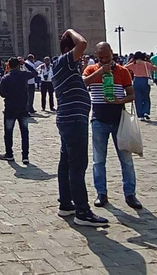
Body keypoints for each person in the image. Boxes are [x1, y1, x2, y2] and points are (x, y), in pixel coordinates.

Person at [52, 29, 108, 227]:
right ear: (69, 49)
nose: (82, 56)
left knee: (66, 163)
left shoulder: (66, 68)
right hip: (74, 121)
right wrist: (69, 31)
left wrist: (101, 70)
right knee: (78, 165)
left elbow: (82, 83)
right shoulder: (64, 61)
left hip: (69, 120)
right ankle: (82, 212)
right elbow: (82, 43)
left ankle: (66, 204)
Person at [83, 42, 142, 210]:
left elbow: (131, 95)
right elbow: (83, 83)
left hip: (119, 121)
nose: (104, 60)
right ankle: (101, 193)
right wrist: (101, 71)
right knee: (98, 161)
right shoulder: (91, 70)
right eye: (100, 58)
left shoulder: (123, 72)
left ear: (112, 54)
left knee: (126, 160)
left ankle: (130, 194)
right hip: (98, 121)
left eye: (107, 57)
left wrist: (119, 100)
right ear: (96, 56)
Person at [0, 57, 37, 164]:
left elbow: (2, 93)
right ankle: (25, 156)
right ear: (19, 65)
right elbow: (35, 72)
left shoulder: (6, 78)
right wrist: (25, 64)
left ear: (8, 66)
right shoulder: (23, 75)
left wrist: (10, 96)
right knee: (24, 132)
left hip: (10, 108)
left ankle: (9, 154)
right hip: (23, 108)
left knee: (8, 132)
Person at [124, 52, 156, 120]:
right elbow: (155, 68)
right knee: (146, 97)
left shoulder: (133, 64)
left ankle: (140, 115)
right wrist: (150, 62)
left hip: (137, 80)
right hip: (145, 80)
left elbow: (124, 67)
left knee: (138, 98)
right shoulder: (146, 64)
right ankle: (146, 111)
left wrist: (130, 61)